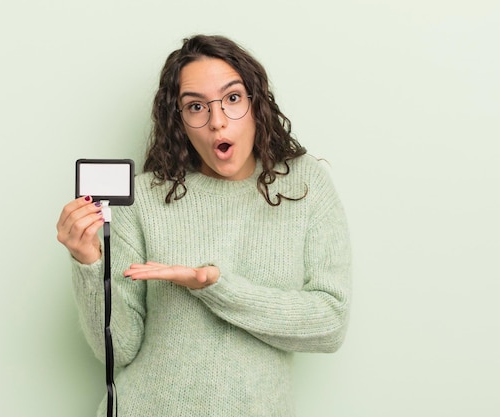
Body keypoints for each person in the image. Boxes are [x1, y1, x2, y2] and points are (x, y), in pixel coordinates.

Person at [56, 34, 351, 417]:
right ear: (178, 120)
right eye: (196, 106)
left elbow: (330, 324)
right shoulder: (144, 197)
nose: (217, 122)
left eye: (232, 99)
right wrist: (89, 262)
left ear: (255, 102)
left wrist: (214, 286)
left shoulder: (305, 183)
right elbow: (119, 349)